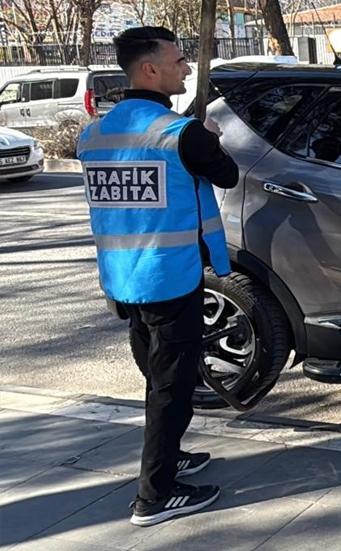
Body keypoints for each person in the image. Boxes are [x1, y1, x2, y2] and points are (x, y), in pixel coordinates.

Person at [77, 27, 238, 526]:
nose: (187, 69)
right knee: (172, 386)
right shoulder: (180, 133)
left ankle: (170, 456)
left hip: (121, 278)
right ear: (150, 69)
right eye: (179, 60)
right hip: (169, 278)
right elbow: (228, 175)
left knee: (156, 377)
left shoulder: (94, 134)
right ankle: (155, 496)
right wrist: (211, 140)